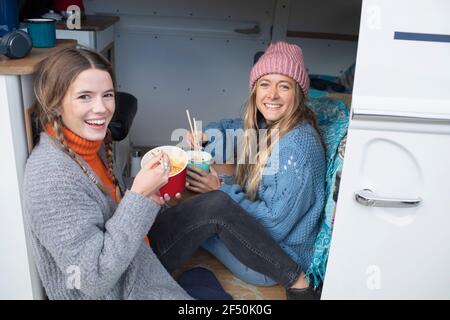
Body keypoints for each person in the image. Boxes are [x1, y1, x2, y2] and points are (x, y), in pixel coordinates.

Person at [148, 41, 326, 299]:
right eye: (265, 84)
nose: (272, 95)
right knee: (187, 204)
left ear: (298, 94)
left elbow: (273, 227)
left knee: (195, 214)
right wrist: (205, 136)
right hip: (259, 240)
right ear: (255, 90)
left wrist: (220, 189)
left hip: (272, 258)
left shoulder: (297, 147)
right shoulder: (267, 126)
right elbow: (228, 128)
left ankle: (149, 269)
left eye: (284, 86)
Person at [23, 47, 192, 300]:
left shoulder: (91, 144)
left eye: (108, 95)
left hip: (138, 264)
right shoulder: (51, 178)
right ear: (56, 104)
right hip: (121, 289)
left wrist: (151, 198)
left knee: (211, 212)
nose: (101, 108)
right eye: (85, 97)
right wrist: (139, 195)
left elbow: (115, 215)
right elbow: (94, 280)